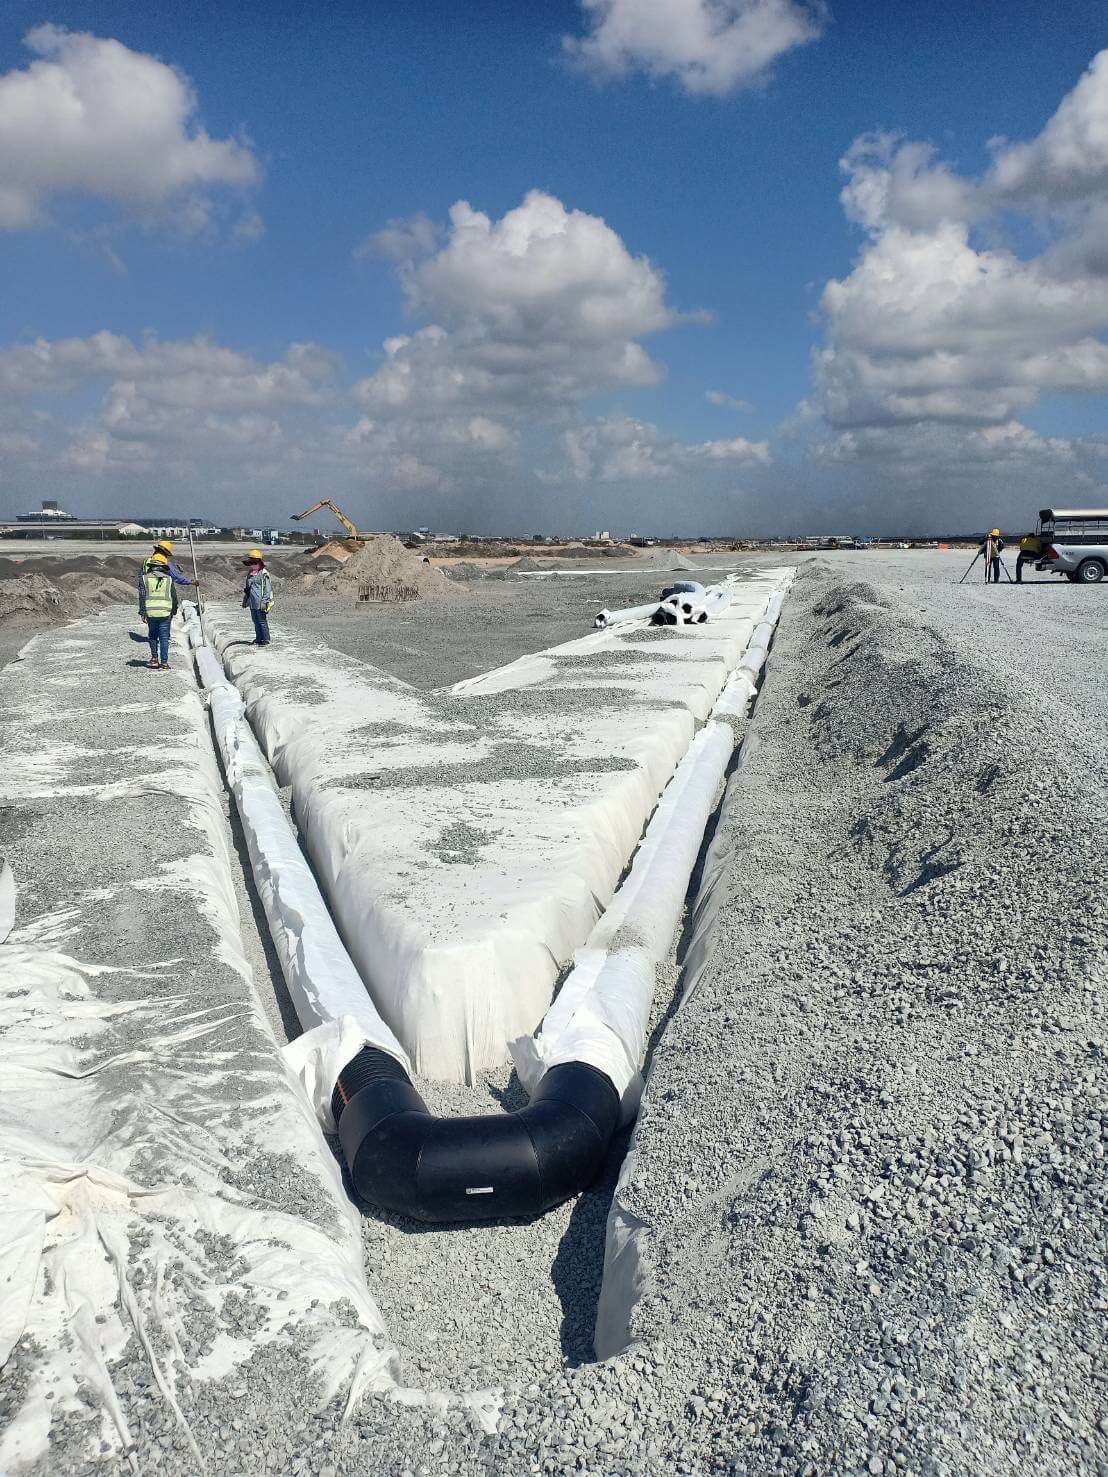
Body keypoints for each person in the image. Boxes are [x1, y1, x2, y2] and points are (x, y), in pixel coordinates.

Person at [138, 552, 176, 669]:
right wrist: (173, 610)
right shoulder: (169, 579)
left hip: (151, 612)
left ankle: (154, 659)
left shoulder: (144, 579)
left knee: (153, 636)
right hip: (165, 613)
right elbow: (173, 596)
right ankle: (164, 663)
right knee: (164, 638)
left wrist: (143, 612)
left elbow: (142, 596)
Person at [241, 549, 274, 645]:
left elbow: (267, 589)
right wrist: (245, 600)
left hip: (260, 602)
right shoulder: (250, 573)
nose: (252, 563)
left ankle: (265, 639)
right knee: (255, 621)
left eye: (254, 561)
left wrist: (265, 601)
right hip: (252, 602)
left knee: (262, 621)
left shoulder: (264, 573)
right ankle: (259, 638)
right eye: (251, 561)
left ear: (259, 561)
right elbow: (248, 588)